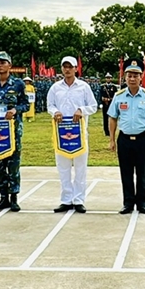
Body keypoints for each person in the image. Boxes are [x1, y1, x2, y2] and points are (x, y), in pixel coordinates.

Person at [107, 58, 145, 214]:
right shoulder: (119, 96)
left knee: (142, 172)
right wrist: (111, 139)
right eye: (129, 75)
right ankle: (128, 203)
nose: (132, 78)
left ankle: (142, 202)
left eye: (136, 75)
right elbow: (112, 117)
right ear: (125, 77)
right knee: (126, 172)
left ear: (141, 76)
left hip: (142, 139)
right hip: (124, 139)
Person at [48, 56, 98, 214]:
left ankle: (79, 199)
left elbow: (94, 106)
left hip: (79, 134)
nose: (67, 69)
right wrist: (55, 112)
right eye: (64, 66)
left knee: (80, 168)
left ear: (76, 68)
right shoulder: (55, 88)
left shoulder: (83, 87)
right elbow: (50, 105)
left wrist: (81, 110)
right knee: (63, 168)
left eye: (70, 67)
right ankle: (66, 199)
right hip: (61, 133)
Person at [0, 51, 29, 212]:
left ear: (10, 64)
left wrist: (15, 110)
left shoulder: (18, 84)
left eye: (2, 62)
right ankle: (3, 197)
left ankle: (14, 197)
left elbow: (26, 105)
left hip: (12, 131)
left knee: (13, 165)